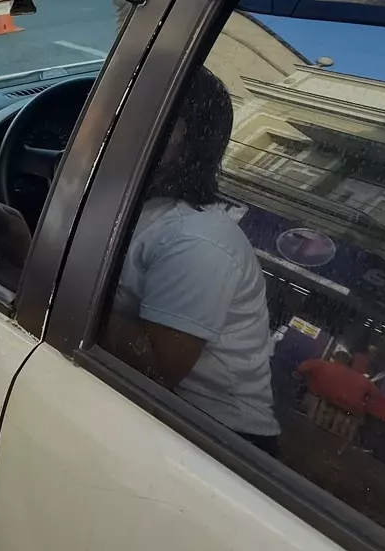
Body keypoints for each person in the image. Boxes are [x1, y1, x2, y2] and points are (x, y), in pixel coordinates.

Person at [103, 68, 280, 454]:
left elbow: (155, 369)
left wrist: (63, 279)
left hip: (221, 442)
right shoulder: (143, 207)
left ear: (191, 143)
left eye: (154, 114)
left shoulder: (197, 238)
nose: (121, 121)